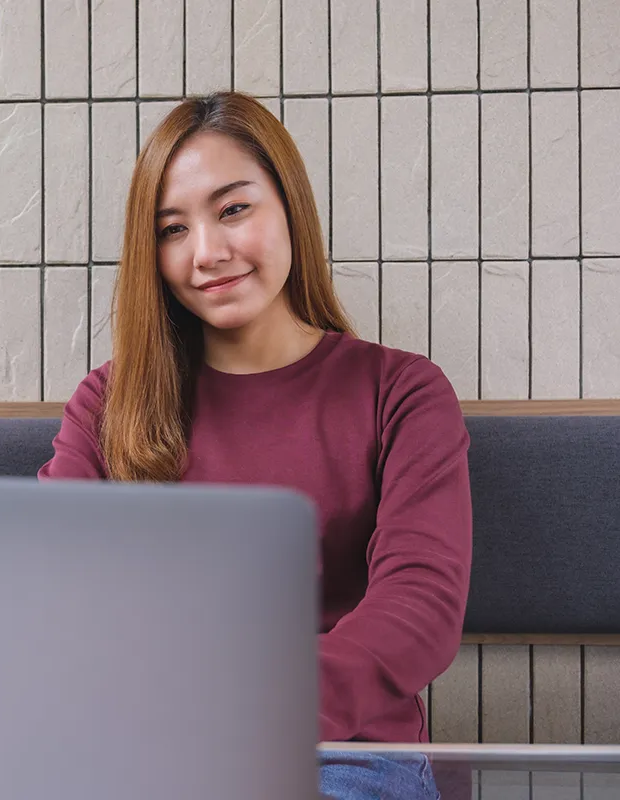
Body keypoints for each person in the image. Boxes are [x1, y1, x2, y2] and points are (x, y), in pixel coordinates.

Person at [37, 91, 471, 799]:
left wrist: (253, 708)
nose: (207, 253)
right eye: (172, 229)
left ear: (289, 206)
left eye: (234, 209)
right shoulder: (107, 405)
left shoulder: (403, 392)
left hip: (344, 754)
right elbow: (51, 592)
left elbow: (419, 607)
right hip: (149, 750)